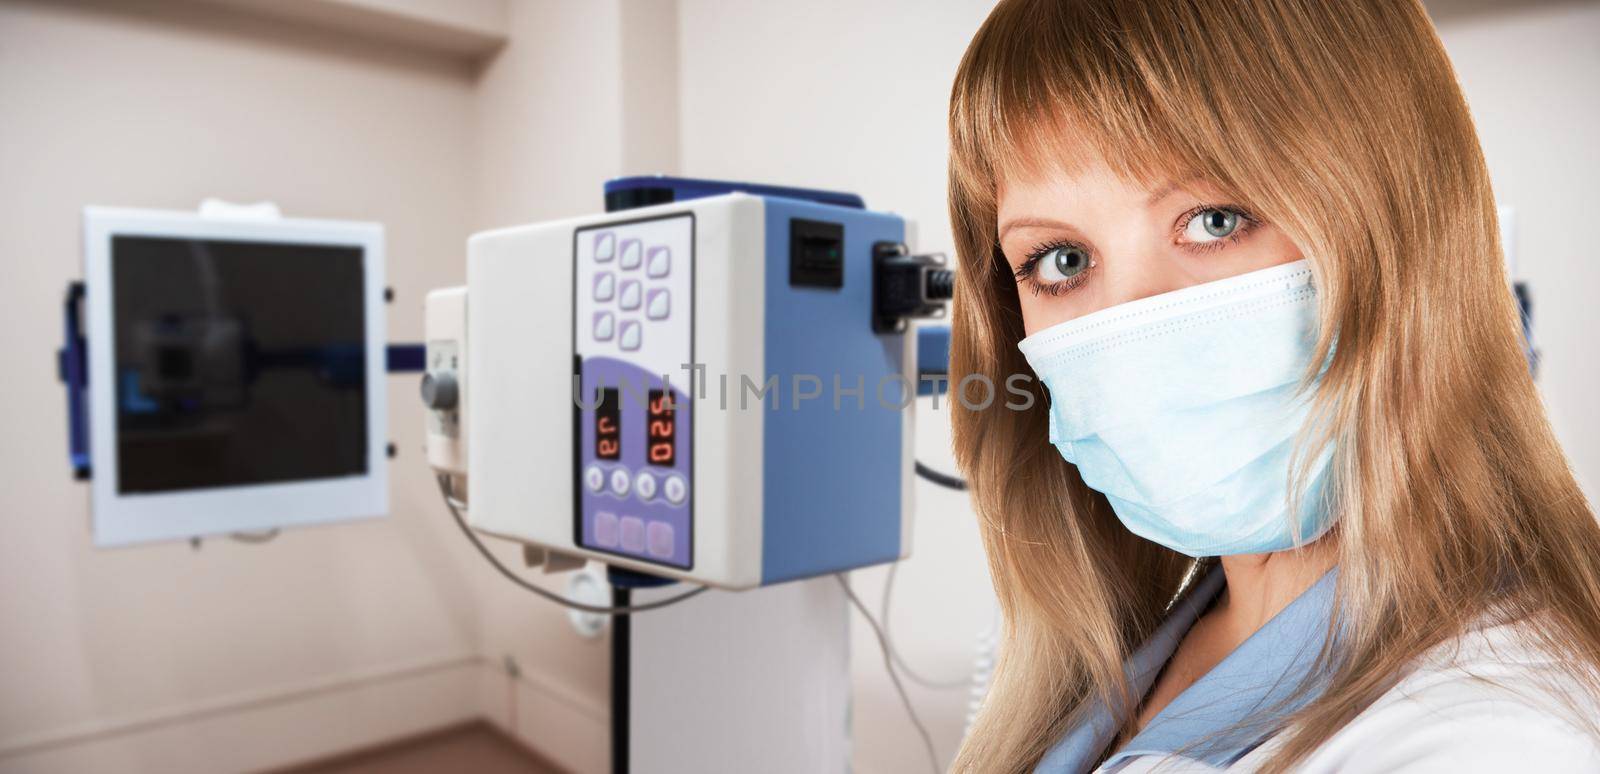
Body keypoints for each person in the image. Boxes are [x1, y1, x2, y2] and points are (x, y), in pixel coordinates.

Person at [944, 0, 1600, 771]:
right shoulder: (1146, 655)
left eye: (1216, 219)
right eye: (1061, 260)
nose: (1131, 324)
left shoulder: (1497, 736)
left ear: (1398, 222)